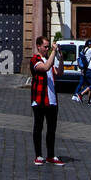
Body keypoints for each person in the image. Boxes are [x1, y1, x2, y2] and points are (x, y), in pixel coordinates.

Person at [29, 35, 63, 165]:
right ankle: (38, 155)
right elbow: (45, 68)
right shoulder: (35, 59)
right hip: (39, 99)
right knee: (38, 127)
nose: (47, 48)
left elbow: (59, 73)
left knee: (52, 129)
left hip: (52, 100)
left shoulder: (49, 59)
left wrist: (61, 58)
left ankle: (50, 155)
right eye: (45, 46)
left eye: (48, 46)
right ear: (38, 46)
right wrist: (53, 52)